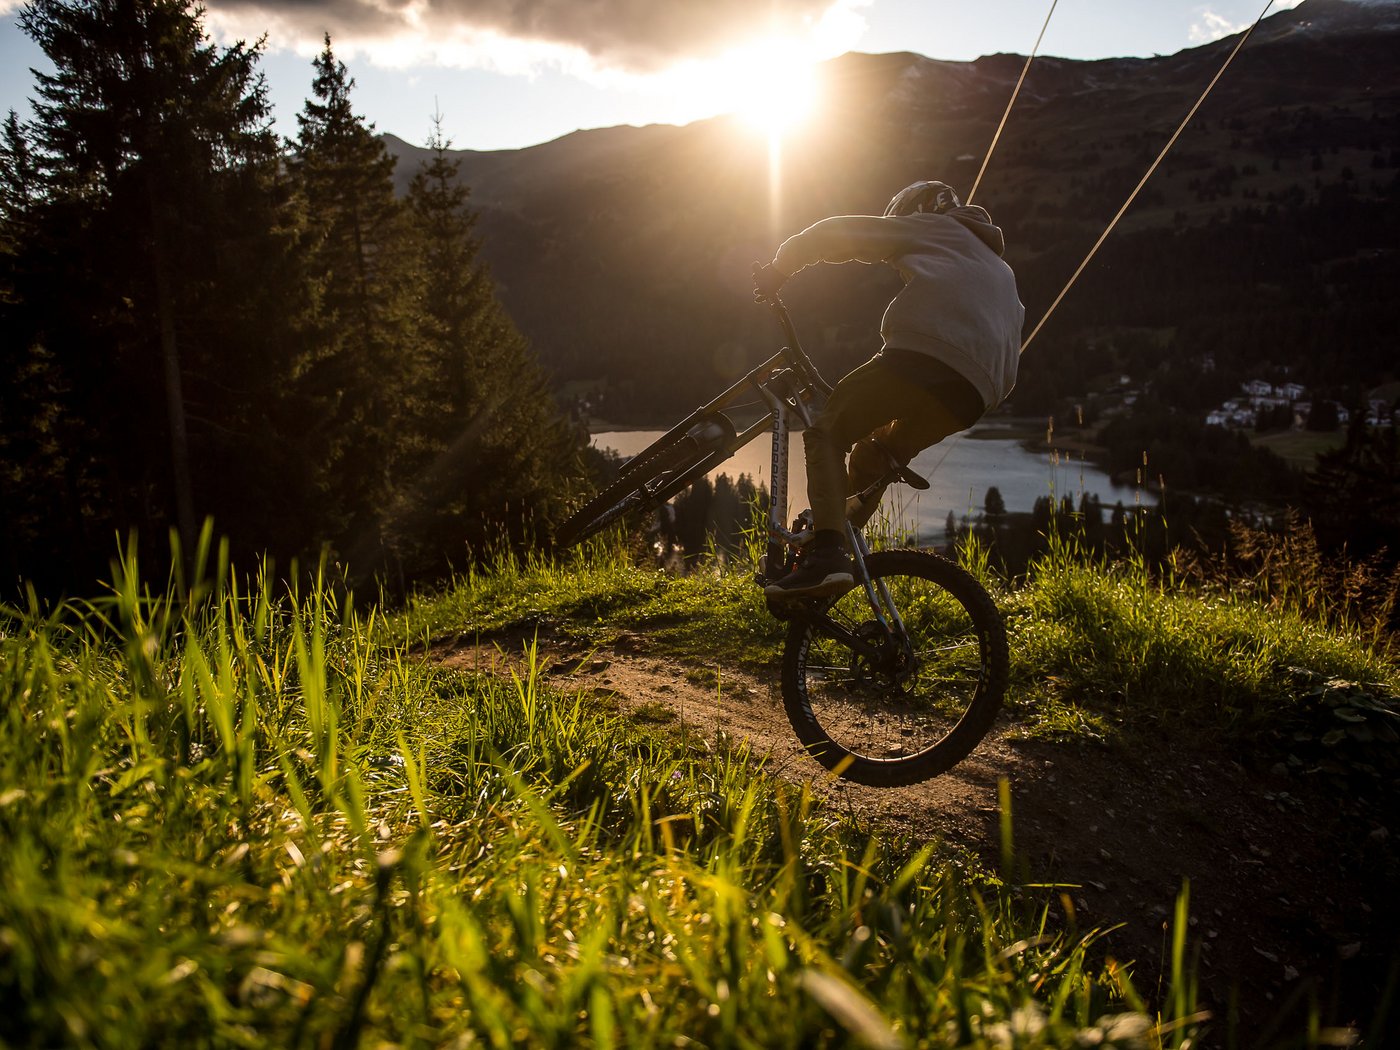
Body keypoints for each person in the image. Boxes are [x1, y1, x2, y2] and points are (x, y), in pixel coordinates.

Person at [752, 180, 1025, 598]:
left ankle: (826, 557)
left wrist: (781, 267)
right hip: (977, 394)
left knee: (827, 432)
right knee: (876, 456)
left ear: (918, 212)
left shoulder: (934, 227)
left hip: (926, 358)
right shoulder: (997, 265)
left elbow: (839, 232)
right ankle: (829, 550)